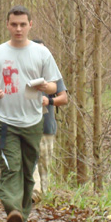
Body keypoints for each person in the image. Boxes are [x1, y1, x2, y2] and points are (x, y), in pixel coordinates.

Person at [0, 6, 63, 222]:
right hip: (3, 121)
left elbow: (56, 84)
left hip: (33, 121)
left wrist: (47, 87)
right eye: (14, 24)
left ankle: (21, 217)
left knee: (28, 169)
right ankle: (12, 209)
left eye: (22, 24)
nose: (18, 28)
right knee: (9, 166)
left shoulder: (42, 53)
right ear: (7, 25)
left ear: (30, 25)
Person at [30, 39, 68, 203]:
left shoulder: (53, 74)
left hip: (46, 125)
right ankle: (33, 192)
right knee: (30, 160)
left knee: (44, 164)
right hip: (27, 124)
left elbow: (64, 98)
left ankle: (42, 195)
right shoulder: (24, 71)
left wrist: (49, 101)